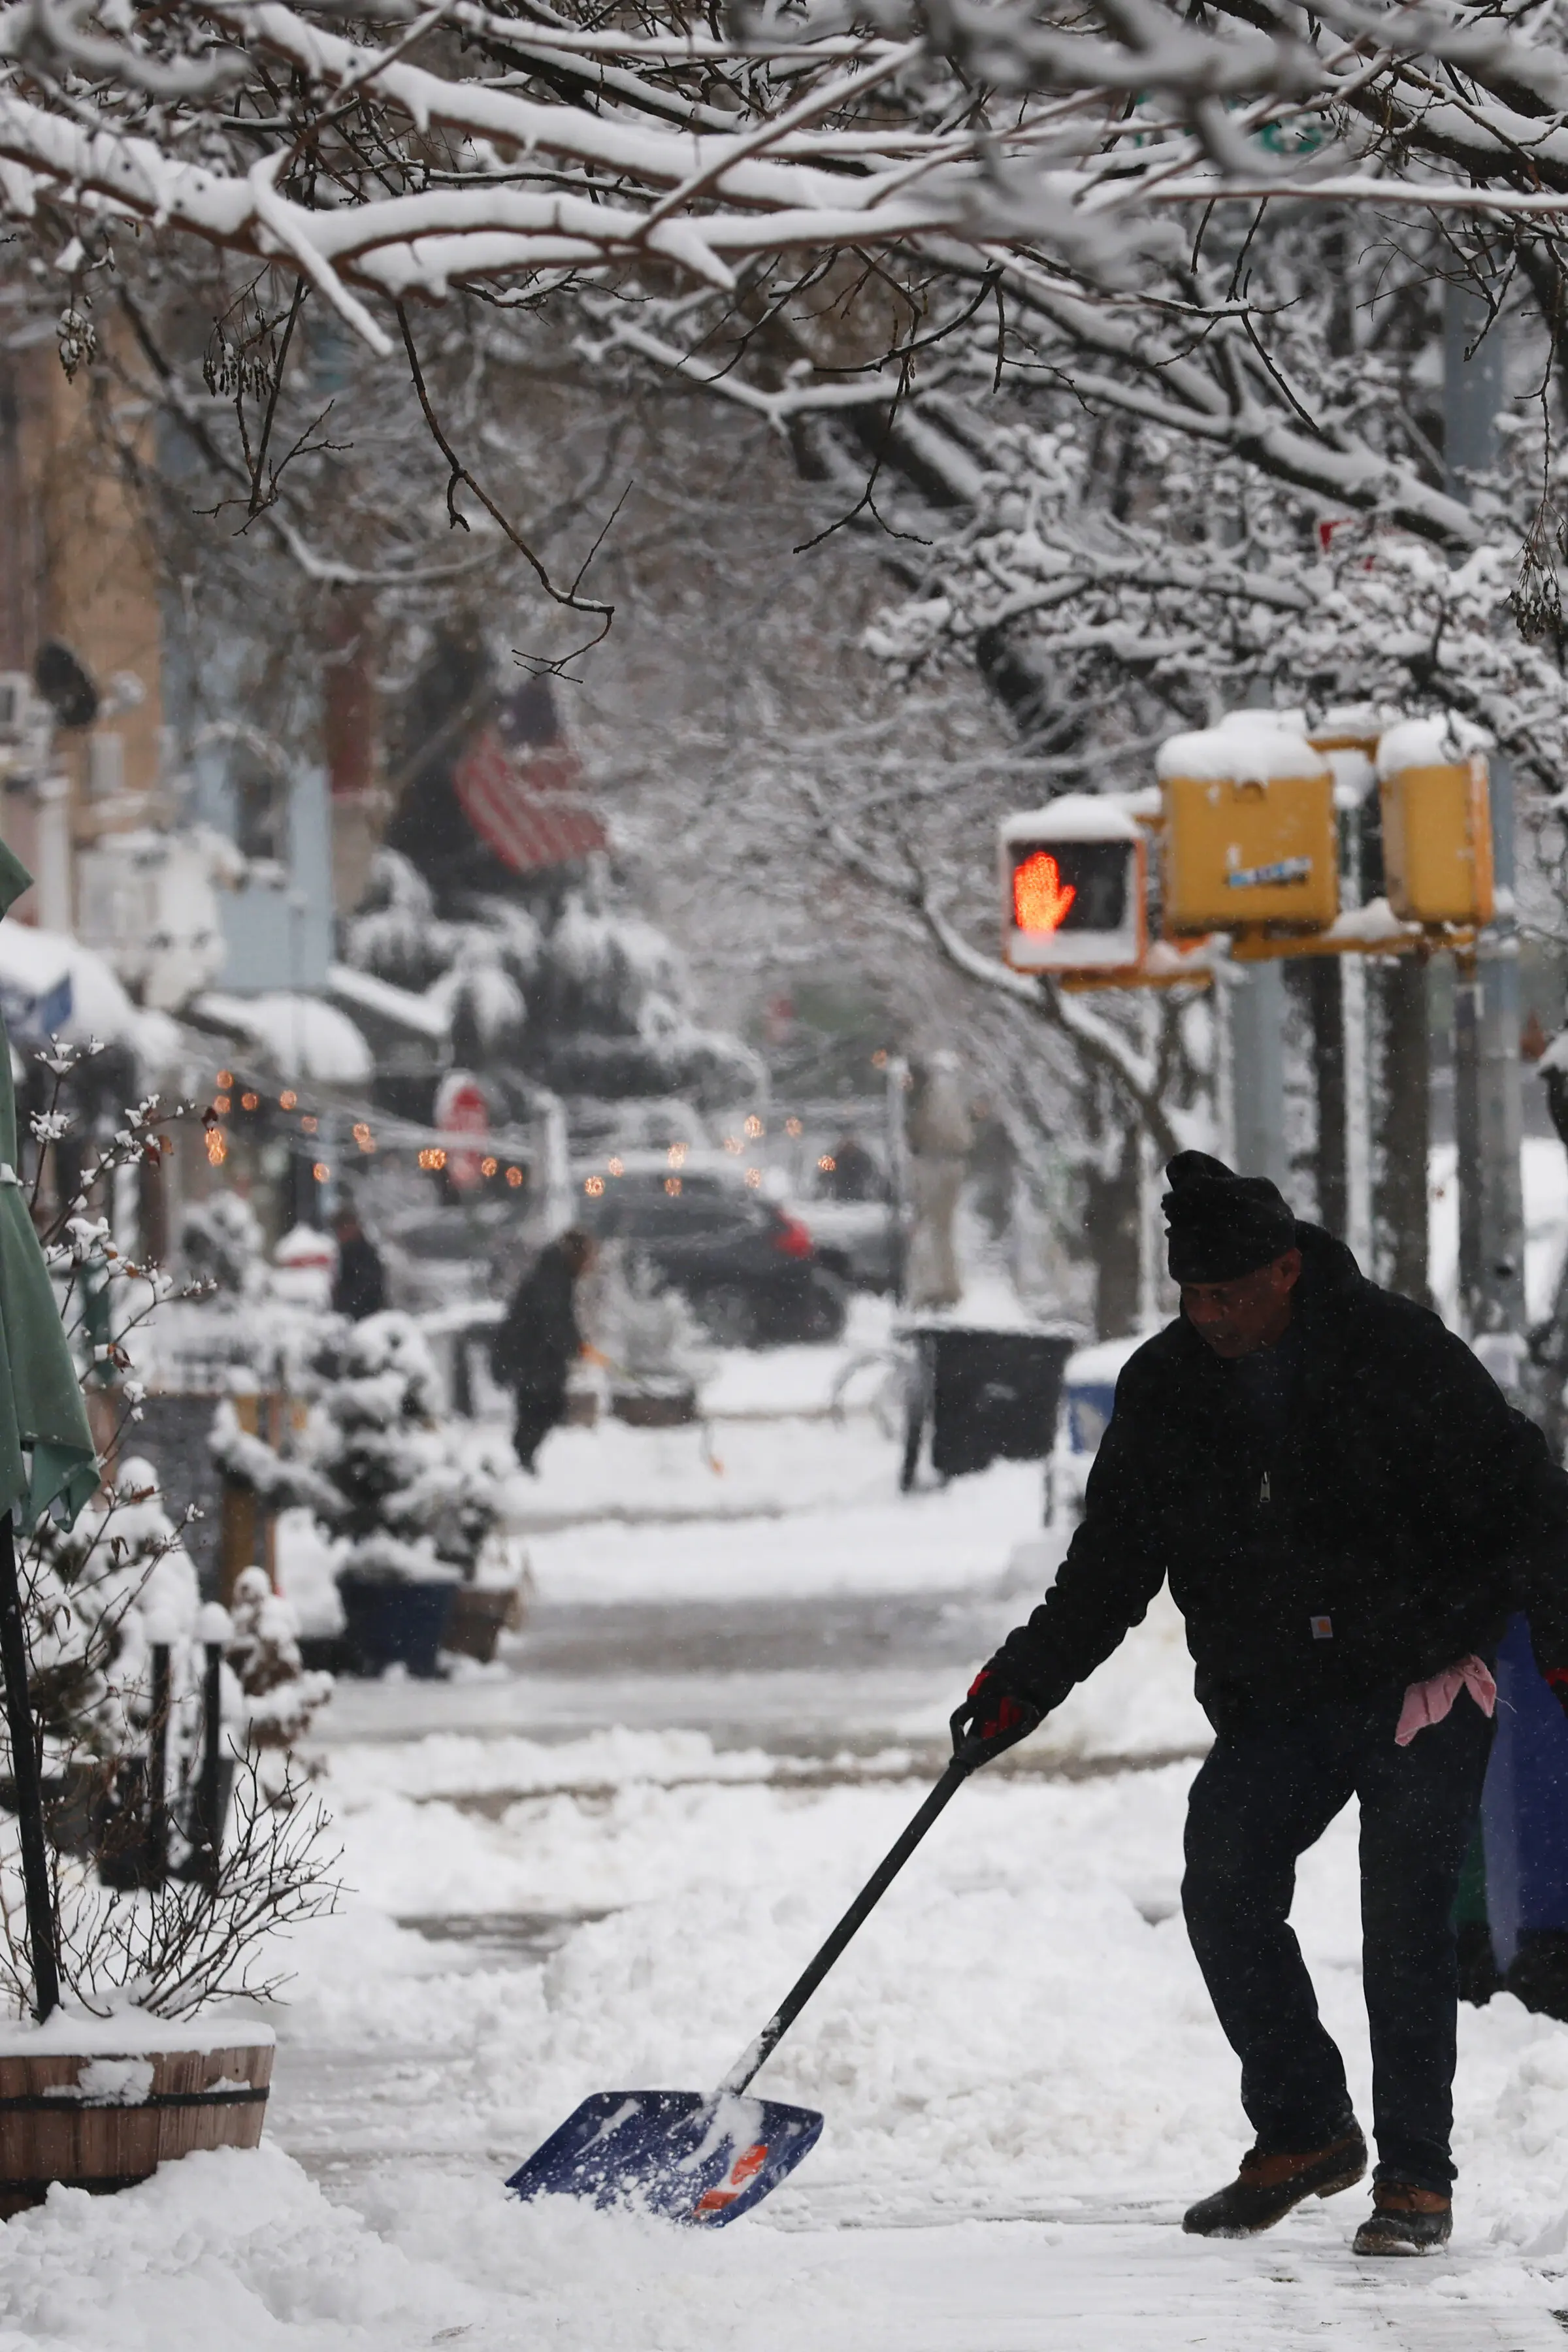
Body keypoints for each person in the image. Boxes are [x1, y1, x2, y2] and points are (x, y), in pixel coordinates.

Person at [951, 1151, 1568, 2257]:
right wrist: (1020, 1687)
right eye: (1190, 1295)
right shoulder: (1169, 1389)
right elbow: (1110, 1569)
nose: (1209, 1315)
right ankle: (1305, 2131)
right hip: (1281, 1693)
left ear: (1287, 1271)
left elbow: (1532, 1498)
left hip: (1420, 1680)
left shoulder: (1396, 1354)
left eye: (1228, 1293)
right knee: (1226, 1879)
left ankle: (1417, 2182)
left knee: (1405, 1922)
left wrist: (1560, 1655)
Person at [492, 1226, 596, 1472]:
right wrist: (573, 1345)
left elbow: (559, 1319)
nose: (590, 1264)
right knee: (543, 1407)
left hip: (534, 1358)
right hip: (532, 1358)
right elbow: (553, 1319)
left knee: (542, 1408)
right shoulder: (553, 1278)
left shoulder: (556, 1274)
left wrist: (574, 1344)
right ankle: (522, 1459)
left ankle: (523, 1459)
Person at [331, 1207, 386, 1322]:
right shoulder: (346, 1252)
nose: (339, 1235)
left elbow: (368, 1286)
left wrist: (346, 1304)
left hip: (365, 1316)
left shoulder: (363, 1253)